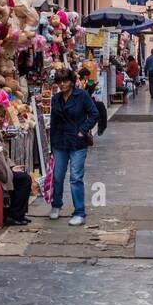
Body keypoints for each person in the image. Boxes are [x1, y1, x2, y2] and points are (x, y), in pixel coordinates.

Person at [50, 68, 99, 227]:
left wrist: (82, 131)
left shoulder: (82, 95)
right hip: (59, 142)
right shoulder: (55, 99)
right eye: (59, 81)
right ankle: (56, 204)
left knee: (76, 177)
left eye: (65, 81)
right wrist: (51, 145)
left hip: (77, 143)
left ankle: (79, 212)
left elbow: (94, 113)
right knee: (57, 176)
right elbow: (54, 122)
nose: (62, 84)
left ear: (71, 81)